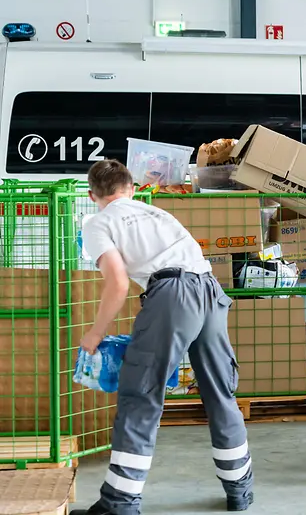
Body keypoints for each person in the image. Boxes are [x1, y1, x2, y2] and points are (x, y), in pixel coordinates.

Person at [71, 160, 254, 515]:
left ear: (93, 195)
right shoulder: (156, 213)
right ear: (132, 188)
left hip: (173, 294)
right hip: (209, 290)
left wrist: (95, 332)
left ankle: (119, 503)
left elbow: (118, 282)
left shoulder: (97, 222)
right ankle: (240, 490)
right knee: (220, 392)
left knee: (141, 393)